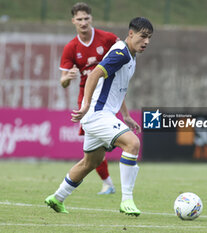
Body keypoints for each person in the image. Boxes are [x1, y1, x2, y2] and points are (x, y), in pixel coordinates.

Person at [45, 17, 153, 216]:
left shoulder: (130, 55)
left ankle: (57, 197)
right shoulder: (121, 53)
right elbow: (94, 74)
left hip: (102, 115)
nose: (146, 42)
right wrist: (86, 105)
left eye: (149, 38)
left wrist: (126, 115)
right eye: (143, 36)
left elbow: (117, 88)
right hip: (97, 114)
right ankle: (127, 200)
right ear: (131, 34)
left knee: (90, 163)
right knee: (132, 144)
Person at [59, 2, 119, 194]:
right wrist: (67, 78)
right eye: (79, 19)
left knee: (99, 143)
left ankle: (109, 182)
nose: (83, 22)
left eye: (86, 18)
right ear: (73, 21)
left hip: (109, 95)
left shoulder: (107, 39)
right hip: (86, 100)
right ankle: (108, 183)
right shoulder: (71, 47)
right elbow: (63, 82)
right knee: (94, 143)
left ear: (91, 18)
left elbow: (125, 52)